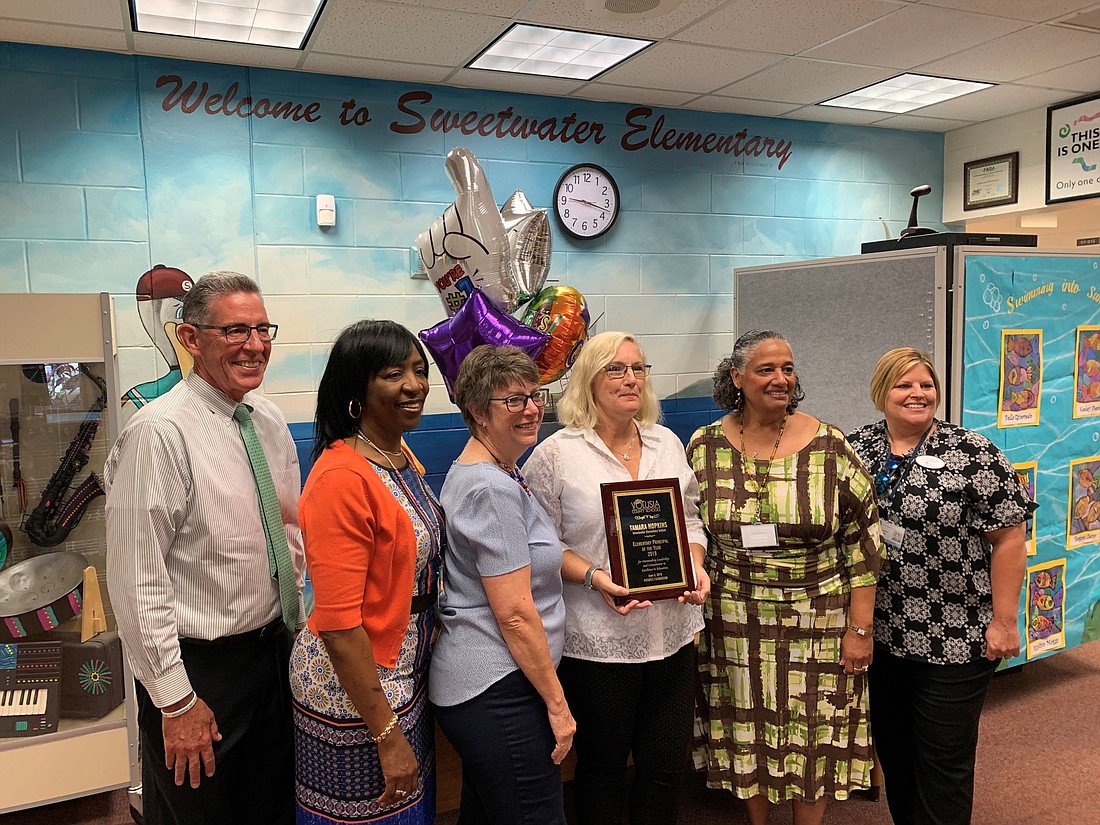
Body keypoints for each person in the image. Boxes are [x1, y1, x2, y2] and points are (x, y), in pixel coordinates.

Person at [105, 271, 304, 825]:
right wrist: (175, 700)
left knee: (270, 809)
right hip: (200, 672)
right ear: (191, 339)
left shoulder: (268, 420)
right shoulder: (158, 432)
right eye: (235, 330)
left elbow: (289, 529)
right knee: (200, 813)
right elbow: (136, 580)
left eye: (263, 329)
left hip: (272, 652)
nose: (256, 345)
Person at [687, 330, 882, 825]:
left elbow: (865, 545)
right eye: (767, 369)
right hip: (732, 616)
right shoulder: (704, 446)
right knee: (744, 726)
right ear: (736, 376)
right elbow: (690, 530)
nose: (781, 379)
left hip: (818, 614)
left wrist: (860, 631)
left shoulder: (829, 445)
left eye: (788, 368)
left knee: (813, 730)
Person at [523, 330, 710, 825]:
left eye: (638, 368)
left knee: (664, 766)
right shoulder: (556, 454)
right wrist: (594, 577)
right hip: (597, 641)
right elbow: (542, 545)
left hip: (671, 633)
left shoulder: (666, 442)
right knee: (603, 769)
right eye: (616, 368)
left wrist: (694, 563)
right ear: (589, 377)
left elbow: (689, 519)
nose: (631, 379)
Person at [847, 347, 1034, 825]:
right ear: (880, 393)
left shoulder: (971, 452)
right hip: (882, 631)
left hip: (956, 634)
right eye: (904, 385)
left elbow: (1011, 538)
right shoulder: (857, 448)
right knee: (896, 752)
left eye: (926, 385)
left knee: (944, 760)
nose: (917, 394)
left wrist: (1005, 621)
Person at [290, 320, 444, 824]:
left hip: (401, 670)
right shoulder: (340, 476)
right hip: (353, 691)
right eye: (393, 373)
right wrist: (385, 736)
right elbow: (337, 623)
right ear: (357, 388)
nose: (414, 384)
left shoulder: (397, 455)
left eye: (419, 371)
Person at [429, 344, 573, 825]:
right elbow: (513, 612)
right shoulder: (491, 488)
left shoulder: (492, 472)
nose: (531, 409)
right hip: (498, 685)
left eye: (535, 396)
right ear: (476, 411)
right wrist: (558, 705)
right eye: (513, 400)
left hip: (492, 682)